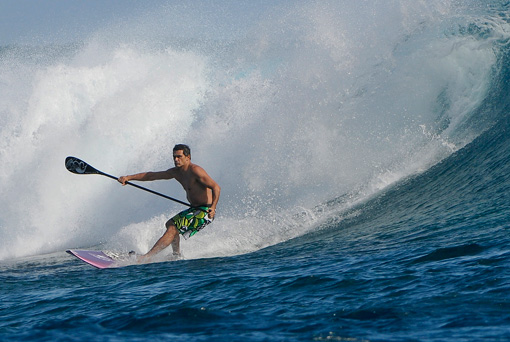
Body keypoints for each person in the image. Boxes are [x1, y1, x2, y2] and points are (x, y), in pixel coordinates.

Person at [118, 144, 220, 261]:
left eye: (179, 157)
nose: (176, 160)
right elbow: (152, 176)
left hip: (205, 211)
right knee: (170, 224)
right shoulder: (176, 172)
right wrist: (128, 177)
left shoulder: (196, 171)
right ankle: (176, 255)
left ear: (188, 157)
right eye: (174, 157)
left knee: (172, 229)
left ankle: (146, 257)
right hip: (194, 209)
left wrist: (213, 207)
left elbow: (216, 187)